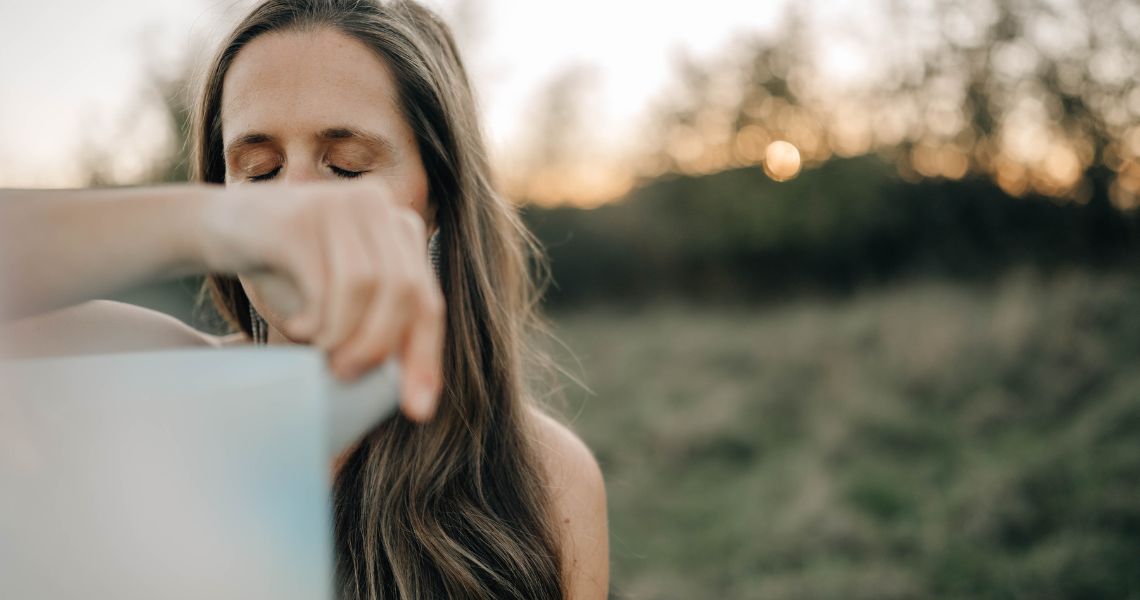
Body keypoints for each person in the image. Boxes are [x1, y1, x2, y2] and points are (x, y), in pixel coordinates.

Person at [0, 1, 608, 598]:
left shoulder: (547, 477)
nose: (294, 206)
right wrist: (201, 224)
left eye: (345, 166)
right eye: (258, 170)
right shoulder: (139, 377)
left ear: (437, 202)